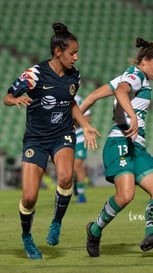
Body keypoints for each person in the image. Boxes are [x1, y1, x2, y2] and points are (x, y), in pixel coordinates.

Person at [3, 22, 100, 260]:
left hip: (62, 134)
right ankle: (27, 237)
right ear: (58, 52)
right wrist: (15, 101)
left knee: (67, 176)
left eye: (77, 52)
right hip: (35, 139)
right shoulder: (34, 74)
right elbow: (7, 96)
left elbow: (71, 102)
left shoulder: (74, 76)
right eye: (72, 53)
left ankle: (56, 222)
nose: (76, 57)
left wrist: (86, 125)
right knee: (29, 196)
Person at [80, 37, 153, 257]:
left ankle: (151, 234)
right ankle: (94, 230)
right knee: (125, 195)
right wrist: (131, 116)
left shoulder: (131, 76)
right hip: (119, 141)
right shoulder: (136, 75)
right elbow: (121, 92)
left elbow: (93, 95)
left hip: (136, 146)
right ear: (145, 61)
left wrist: (79, 117)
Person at [73, 94, 91, 203]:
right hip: (66, 139)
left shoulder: (78, 99)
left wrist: (74, 117)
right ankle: (76, 184)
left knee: (77, 166)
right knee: (69, 169)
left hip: (79, 138)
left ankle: (81, 195)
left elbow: (88, 118)